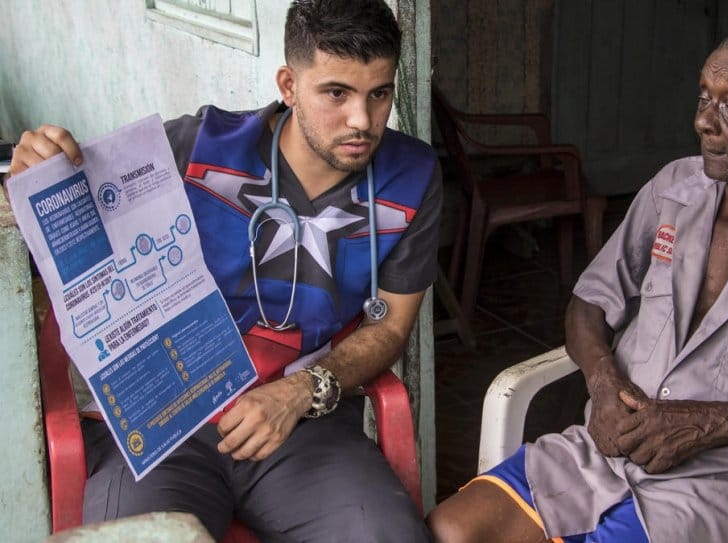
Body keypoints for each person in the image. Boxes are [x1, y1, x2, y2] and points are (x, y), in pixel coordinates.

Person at [7, 1, 439, 541]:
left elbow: (391, 327)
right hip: (165, 430)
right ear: (288, 83)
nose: (363, 121)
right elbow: (63, 211)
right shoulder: (195, 148)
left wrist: (303, 391)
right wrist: (36, 172)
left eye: (380, 94)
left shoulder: (413, 176)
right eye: (336, 93)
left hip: (302, 428)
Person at [428, 20, 728, 543]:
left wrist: (710, 422)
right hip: (601, 452)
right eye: (704, 97)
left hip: (715, 484)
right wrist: (603, 381)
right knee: (450, 530)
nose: (704, 121)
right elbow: (590, 302)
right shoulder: (673, 189)